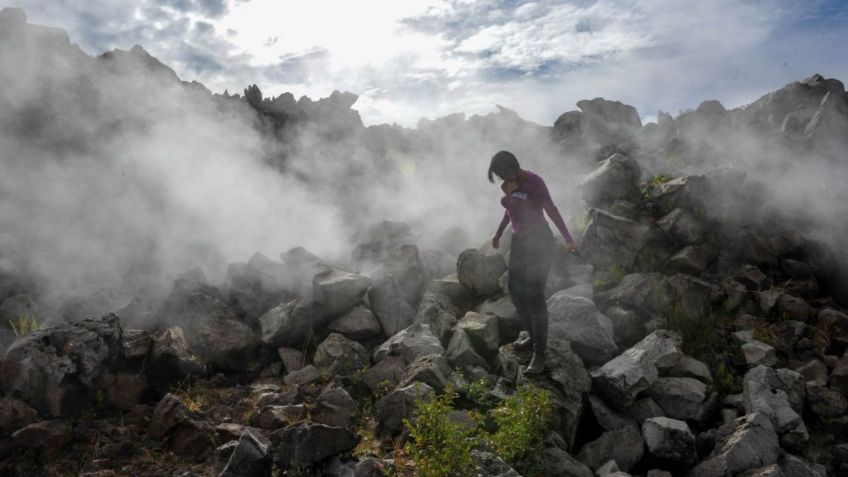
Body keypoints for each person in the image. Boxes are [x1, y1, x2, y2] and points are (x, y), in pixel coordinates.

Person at [489, 150, 578, 374]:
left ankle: (540, 354)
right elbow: (510, 211)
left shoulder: (534, 182)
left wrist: (568, 239)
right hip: (519, 242)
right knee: (515, 290)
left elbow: (552, 210)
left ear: (512, 168)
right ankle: (532, 336)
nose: (501, 180)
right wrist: (499, 234)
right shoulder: (510, 186)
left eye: (502, 175)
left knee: (534, 292)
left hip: (540, 240)